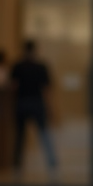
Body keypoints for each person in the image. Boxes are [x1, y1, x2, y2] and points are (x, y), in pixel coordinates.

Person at [11, 39, 58, 178]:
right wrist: (50, 108)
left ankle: (16, 164)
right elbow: (46, 90)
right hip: (37, 103)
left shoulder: (18, 66)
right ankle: (52, 162)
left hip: (22, 102)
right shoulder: (40, 67)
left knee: (20, 136)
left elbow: (13, 86)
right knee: (44, 134)